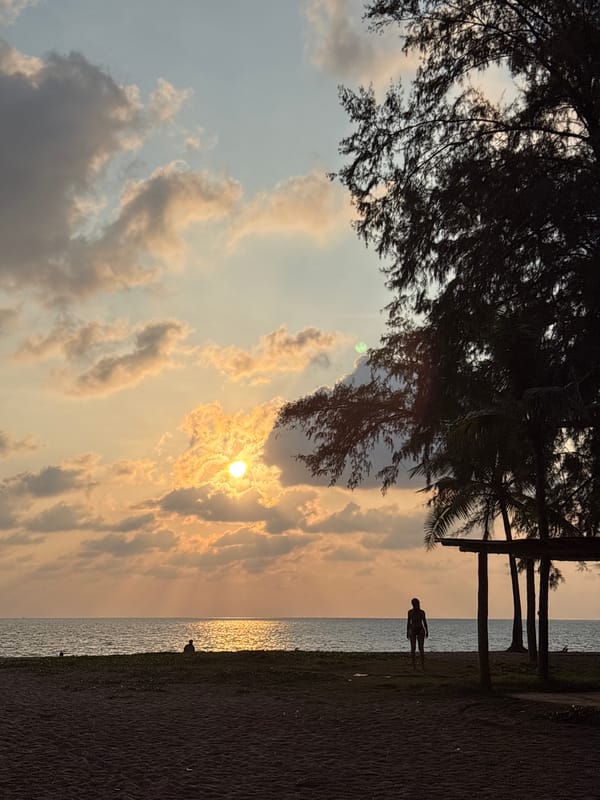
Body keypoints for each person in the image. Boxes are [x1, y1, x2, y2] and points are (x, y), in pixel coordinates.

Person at [407, 597, 428, 670]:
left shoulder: (422, 612)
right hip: (413, 629)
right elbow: (408, 622)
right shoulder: (410, 612)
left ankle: (423, 666)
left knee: (421, 648)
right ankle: (414, 666)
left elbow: (424, 622)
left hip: (420, 629)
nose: (414, 605)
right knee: (413, 648)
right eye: (413, 604)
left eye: (415, 604)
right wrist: (407, 631)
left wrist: (427, 630)